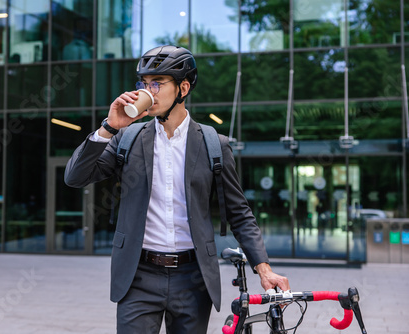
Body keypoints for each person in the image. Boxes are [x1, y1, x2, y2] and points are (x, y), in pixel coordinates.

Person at [65, 45, 289, 334]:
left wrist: (264, 268)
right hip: (138, 274)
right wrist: (109, 127)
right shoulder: (127, 138)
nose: (148, 91)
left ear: (183, 88)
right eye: (144, 84)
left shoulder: (213, 144)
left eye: (157, 83)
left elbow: (239, 213)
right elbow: (74, 176)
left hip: (193, 277)